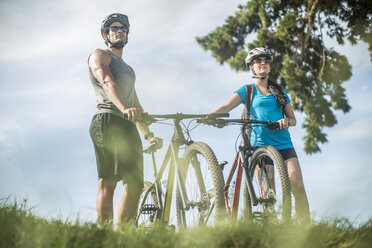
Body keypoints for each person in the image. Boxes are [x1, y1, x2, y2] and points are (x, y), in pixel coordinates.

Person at [213, 47, 310, 224]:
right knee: (268, 190)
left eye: (266, 60)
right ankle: (271, 228)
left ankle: (306, 227)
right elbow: (226, 107)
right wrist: (210, 116)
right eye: (258, 60)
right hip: (261, 147)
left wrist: (286, 121)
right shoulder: (247, 90)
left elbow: (293, 119)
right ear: (252, 67)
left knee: (297, 185)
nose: (263, 63)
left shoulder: (279, 91)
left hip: (284, 145)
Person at [88, 13, 162, 225]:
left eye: (123, 28)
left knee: (135, 184)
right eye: (114, 28)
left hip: (127, 124)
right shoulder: (99, 55)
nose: (120, 30)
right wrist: (124, 108)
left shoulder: (129, 70)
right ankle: (106, 236)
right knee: (108, 181)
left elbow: (135, 104)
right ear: (106, 34)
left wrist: (149, 136)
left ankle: (124, 237)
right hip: (107, 120)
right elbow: (106, 81)